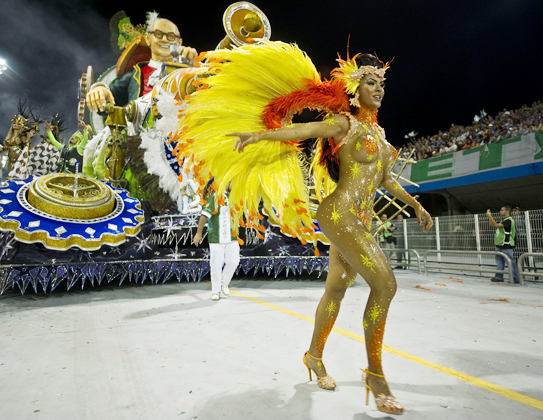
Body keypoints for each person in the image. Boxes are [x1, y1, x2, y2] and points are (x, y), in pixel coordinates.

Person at [176, 42, 433, 414]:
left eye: (382, 84)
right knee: (385, 284)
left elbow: (387, 180)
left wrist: (417, 205)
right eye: (372, 83)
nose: (379, 89)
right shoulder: (344, 124)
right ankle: (375, 373)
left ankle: (313, 355)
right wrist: (259, 136)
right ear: (354, 89)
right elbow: (305, 127)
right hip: (339, 214)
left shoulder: (379, 135)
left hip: (360, 221)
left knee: (337, 289)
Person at [87, 18, 198, 112]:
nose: (164, 40)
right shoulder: (136, 74)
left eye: (171, 36)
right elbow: (109, 102)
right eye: (158, 34)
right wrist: (99, 90)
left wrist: (196, 68)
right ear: (148, 39)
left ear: (179, 42)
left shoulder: (189, 70)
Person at [193, 185, 240, 301]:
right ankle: (215, 291)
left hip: (232, 236)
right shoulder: (215, 197)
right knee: (216, 265)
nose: (232, 183)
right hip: (216, 237)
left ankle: (224, 283)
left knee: (234, 261)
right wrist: (198, 233)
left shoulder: (235, 197)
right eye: (230, 181)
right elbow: (204, 216)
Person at [487, 205, 520, 284]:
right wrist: (489, 217)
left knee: (510, 262)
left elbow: (496, 225)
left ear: (507, 211)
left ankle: (516, 278)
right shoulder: (503, 220)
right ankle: (499, 277)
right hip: (499, 244)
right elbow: (493, 224)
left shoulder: (509, 220)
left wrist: (490, 216)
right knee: (499, 262)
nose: (500, 211)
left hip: (506, 245)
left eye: (502, 210)